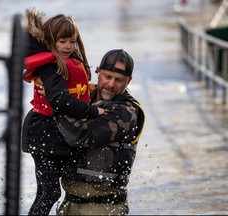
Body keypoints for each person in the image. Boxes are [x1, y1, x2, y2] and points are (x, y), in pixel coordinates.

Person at [21, 8, 104, 216]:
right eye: (62, 41)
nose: (68, 46)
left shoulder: (64, 63)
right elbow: (59, 100)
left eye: (72, 41)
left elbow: (73, 93)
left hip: (56, 133)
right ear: (50, 42)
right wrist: (93, 111)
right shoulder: (49, 67)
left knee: (59, 187)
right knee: (49, 192)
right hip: (43, 133)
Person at [54, 49, 145, 215]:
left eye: (119, 80)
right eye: (107, 77)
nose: (111, 84)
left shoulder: (126, 111)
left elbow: (79, 135)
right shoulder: (82, 97)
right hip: (69, 203)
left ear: (128, 81)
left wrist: (55, 103)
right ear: (97, 72)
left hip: (103, 207)